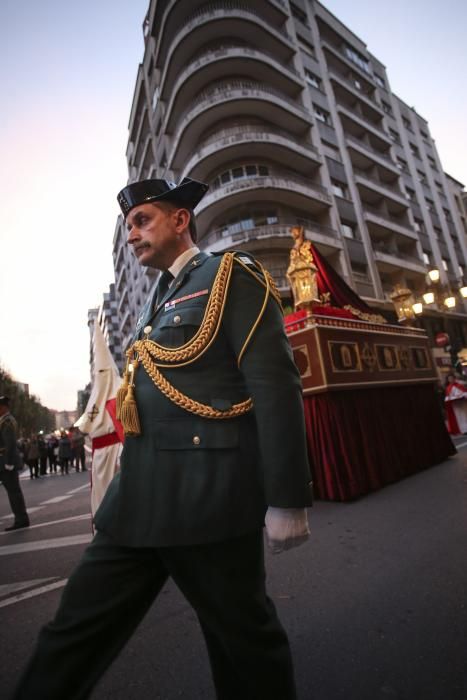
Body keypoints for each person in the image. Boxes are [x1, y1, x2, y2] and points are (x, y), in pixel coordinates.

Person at [13, 177, 312, 700]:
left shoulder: (227, 275)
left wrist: (288, 499)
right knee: (71, 633)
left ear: (180, 220)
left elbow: (274, 383)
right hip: (140, 498)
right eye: (127, 225)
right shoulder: (160, 295)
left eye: (142, 220)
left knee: (243, 645)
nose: (132, 234)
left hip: (210, 496)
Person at [0, 396, 30, 531]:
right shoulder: (5, 421)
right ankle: (21, 518)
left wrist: (8, 463)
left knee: (14, 492)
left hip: (7, 462)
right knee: (13, 491)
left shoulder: (7, 421)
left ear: (4, 407)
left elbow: (9, 444)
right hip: (5, 461)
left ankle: (21, 519)